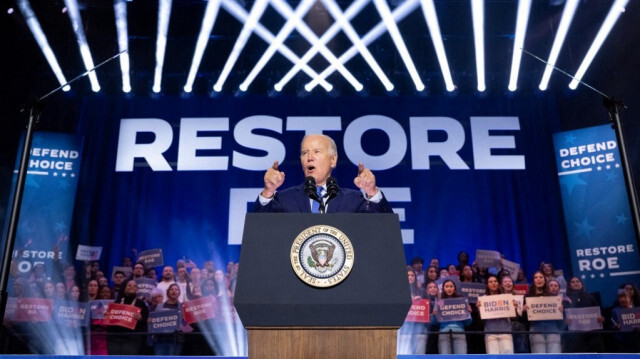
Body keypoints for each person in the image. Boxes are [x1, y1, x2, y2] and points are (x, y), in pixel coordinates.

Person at [253, 134, 392, 213]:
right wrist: (268, 191)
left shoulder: (354, 200)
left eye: (316, 152)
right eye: (304, 153)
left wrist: (371, 192)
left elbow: (383, 229)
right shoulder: (284, 199)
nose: (309, 157)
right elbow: (258, 232)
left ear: (333, 160)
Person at [523, 271, 563, 353]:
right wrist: (523, 310)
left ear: (544, 280)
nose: (538, 279)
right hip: (536, 329)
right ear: (533, 280)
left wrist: (561, 310)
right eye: (536, 277)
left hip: (552, 329)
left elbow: (560, 317)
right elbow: (524, 319)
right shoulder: (528, 297)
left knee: (555, 355)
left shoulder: (552, 296)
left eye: (541, 277)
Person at [106, 279, 149, 355]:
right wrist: (108, 316)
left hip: (132, 339)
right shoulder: (116, 303)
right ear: (124, 287)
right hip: (115, 339)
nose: (132, 287)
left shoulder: (141, 304)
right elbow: (110, 324)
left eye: (135, 286)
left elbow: (146, 322)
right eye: (129, 285)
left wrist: (141, 319)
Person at [564, 277, 604, 353]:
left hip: (591, 334)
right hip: (575, 336)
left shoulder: (590, 297)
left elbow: (600, 313)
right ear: (569, 285)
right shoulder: (566, 300)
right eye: (573, 282)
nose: (576, 283)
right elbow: (563, 318)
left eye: (578, 281)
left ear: (581, 284)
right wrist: (565, 321)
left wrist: (601, 318)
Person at [432, 279, 472, 354]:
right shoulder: (439, 301)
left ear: (455, 288)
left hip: (459, 333)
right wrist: (434, 315)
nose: (449, 288)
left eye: (451, 286)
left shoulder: (461, 301)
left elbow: (468, 323)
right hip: (444, 334)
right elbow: (434, 323)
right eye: (447, 286)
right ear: (443, 288)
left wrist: (468, 314)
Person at [477, 275, 513, 353]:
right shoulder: (483, 299)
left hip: (505, 332)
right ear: (487, 285)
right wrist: (479, 310)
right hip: (490, 334)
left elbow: (513, 318)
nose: (493, 283)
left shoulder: (506, 297)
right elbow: (480, 322)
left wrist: (514, 308)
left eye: (495, 281)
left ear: (498, 284)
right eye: (490, 282)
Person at [398, 267, 427, 354]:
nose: (410, 277)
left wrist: (420, 301)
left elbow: (428, 308)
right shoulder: (398, 291)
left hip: (420, 328)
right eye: (408, 275)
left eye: (412, 275)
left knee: (420, 354)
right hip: (403, 329)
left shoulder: (422, 291)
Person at [151, 283, 184, 355]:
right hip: (160, 340)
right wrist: (151, 321)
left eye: (176, 289)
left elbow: (187, 326)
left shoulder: (182, 307)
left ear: (179, 293)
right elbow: (153, 322)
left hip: (175, 340)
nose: (174, 291)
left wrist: (183, 326)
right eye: (171, 289)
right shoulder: (159, 307)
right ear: (168, 292)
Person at [500, 275, 528, 353]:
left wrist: (524, 309)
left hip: (518, 328)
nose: (508, 283)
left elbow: (523, 317)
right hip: (504, 327)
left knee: (521, 351)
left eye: (510, 281)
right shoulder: (497, 298)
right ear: (501, 285)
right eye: (505, 282)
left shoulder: (521, 298)